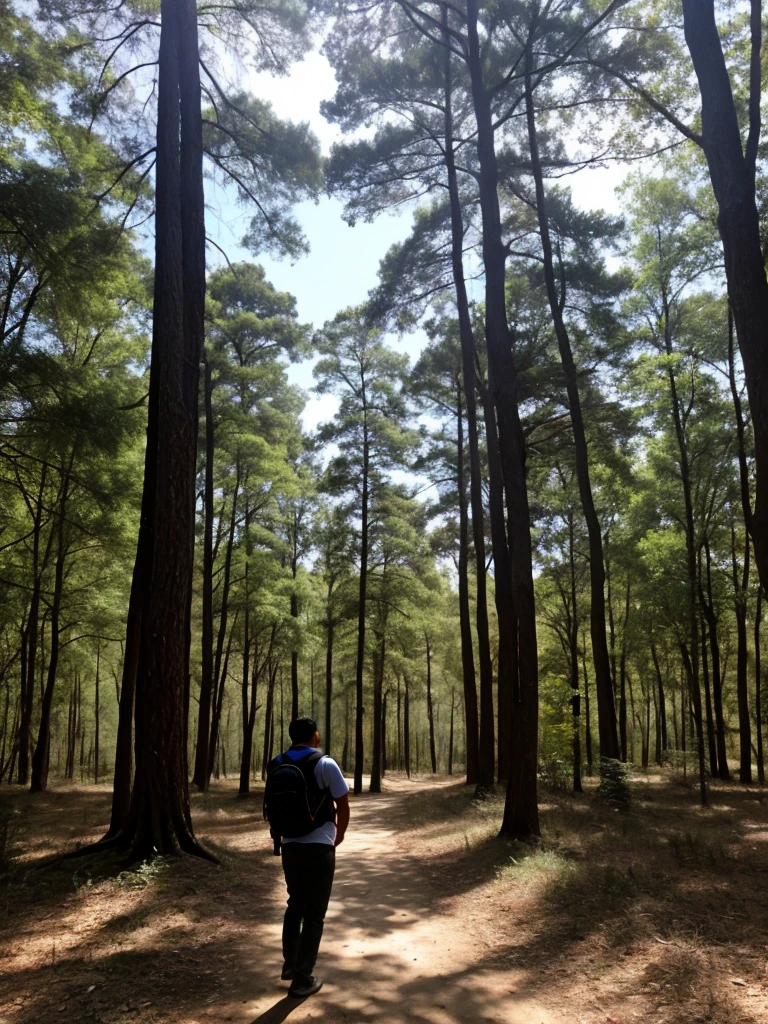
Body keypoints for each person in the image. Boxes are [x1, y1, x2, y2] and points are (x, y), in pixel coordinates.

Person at [269, 716, 350, 999]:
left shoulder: (276, 763)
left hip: (289, 845)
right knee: (315, 913)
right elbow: (342, 803)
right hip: (319, 846)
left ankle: (290, 965)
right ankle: (303, 978)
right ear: (315, 735)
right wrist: (338, 835)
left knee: (295, 904)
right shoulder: (325, 763)